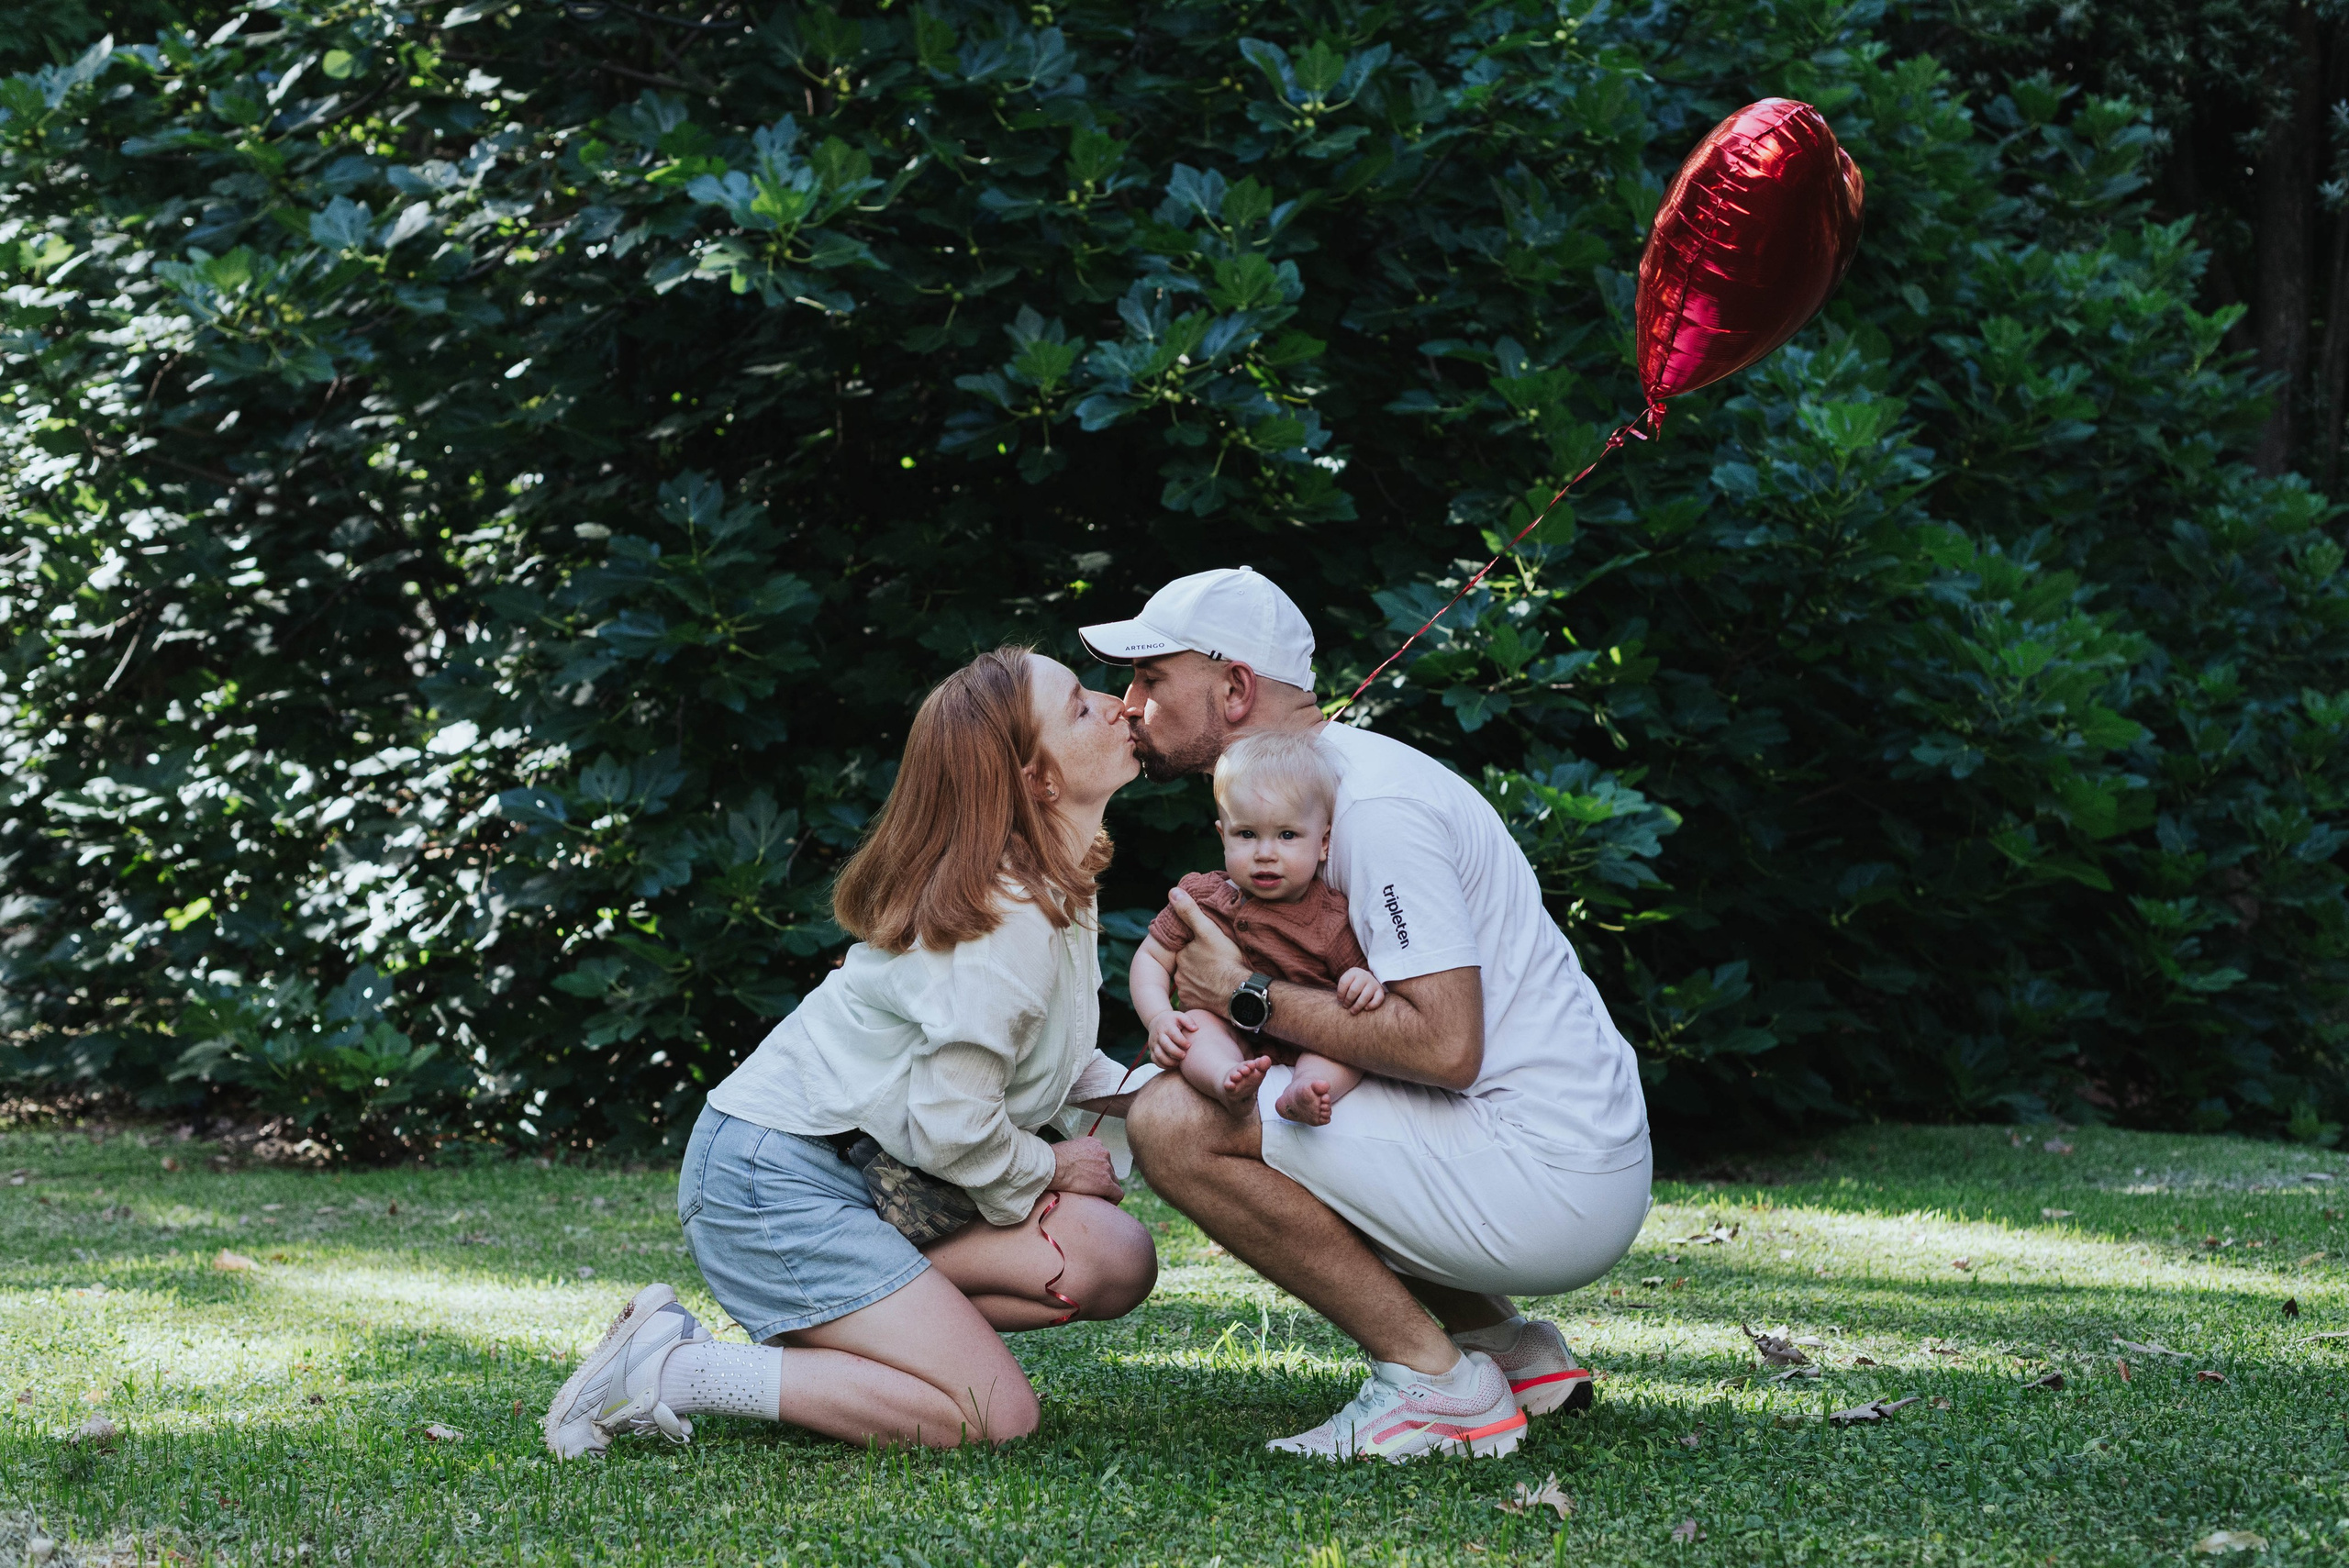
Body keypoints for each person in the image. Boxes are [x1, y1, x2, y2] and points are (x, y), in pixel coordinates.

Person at [1083, 566, 1653, 1462]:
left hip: (1553, 1174)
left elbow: (1445, 1044)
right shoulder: (1312, 794)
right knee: (1267, 1091)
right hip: (1540, 1152)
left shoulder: (1373, 808)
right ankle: (1507, 1349)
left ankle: (1438, 1387)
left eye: (1152, 677)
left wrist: (1242, 993)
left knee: (1176, 1119)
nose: (1129, 703)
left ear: (1235, 688)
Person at [541, 647, 1161, 1458]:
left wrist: (1168, 1090)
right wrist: (1053, 1167)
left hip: (860, 1177)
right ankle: (677, 1368)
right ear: (1035, 779)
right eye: (1080, 705)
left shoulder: (1048, 883)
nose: (1120, 704)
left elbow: (1040, 1052)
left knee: (1113, 1256)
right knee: (991, 1416)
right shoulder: (1006, 919)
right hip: (768, 1181)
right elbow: (950, 1126)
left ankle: (859, 1331)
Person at [1130, 729, 1387, 1126]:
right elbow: (1151, 957)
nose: (1265, 853)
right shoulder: (1203, 898)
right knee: (1197, 1030)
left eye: (1287, 835)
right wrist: (1159, 1017)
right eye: (1246, 834)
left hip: (1309, 1040)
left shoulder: (1331, 918)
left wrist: (1363, 981)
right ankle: (1226, 1080)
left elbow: (1367, 977)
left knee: (1346, 1050)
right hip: (1227, 1032)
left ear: (1323, 843)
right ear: (1223, 836)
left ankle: (1306, 1090)